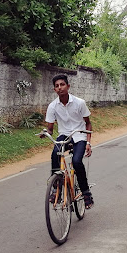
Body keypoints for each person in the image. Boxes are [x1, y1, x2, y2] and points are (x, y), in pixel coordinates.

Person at [44, 74, 94, 209]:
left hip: (79, 136)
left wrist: (88, 143)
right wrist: (46, 133)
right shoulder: (53, 106)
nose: (60, 88)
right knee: (55, 153)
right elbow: (50, 129)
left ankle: (86, 192)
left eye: (62, 84)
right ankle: (56, 187)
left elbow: (88, 124)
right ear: (54, 89)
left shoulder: (79, 103)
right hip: (64, 136)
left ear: (68, 86)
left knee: (77, 162)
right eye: (57, 86)